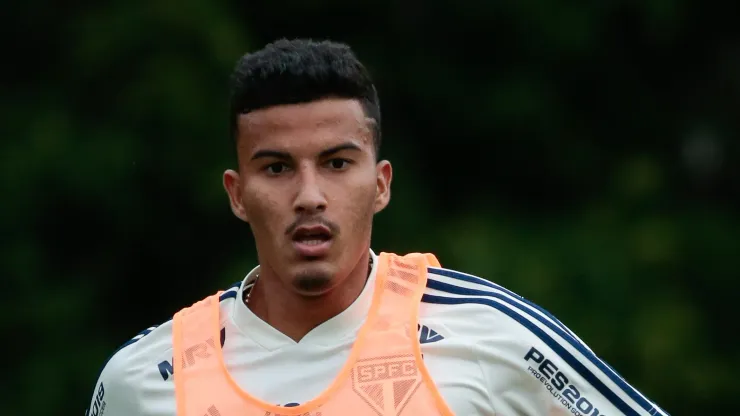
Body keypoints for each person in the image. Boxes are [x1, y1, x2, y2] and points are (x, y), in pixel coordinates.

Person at [85, 38, 670, 416]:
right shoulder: (144, 380)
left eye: (337, 163)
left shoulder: (487, 336)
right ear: (238, 195)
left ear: (381, 183)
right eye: (277, 167)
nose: (309, 196)